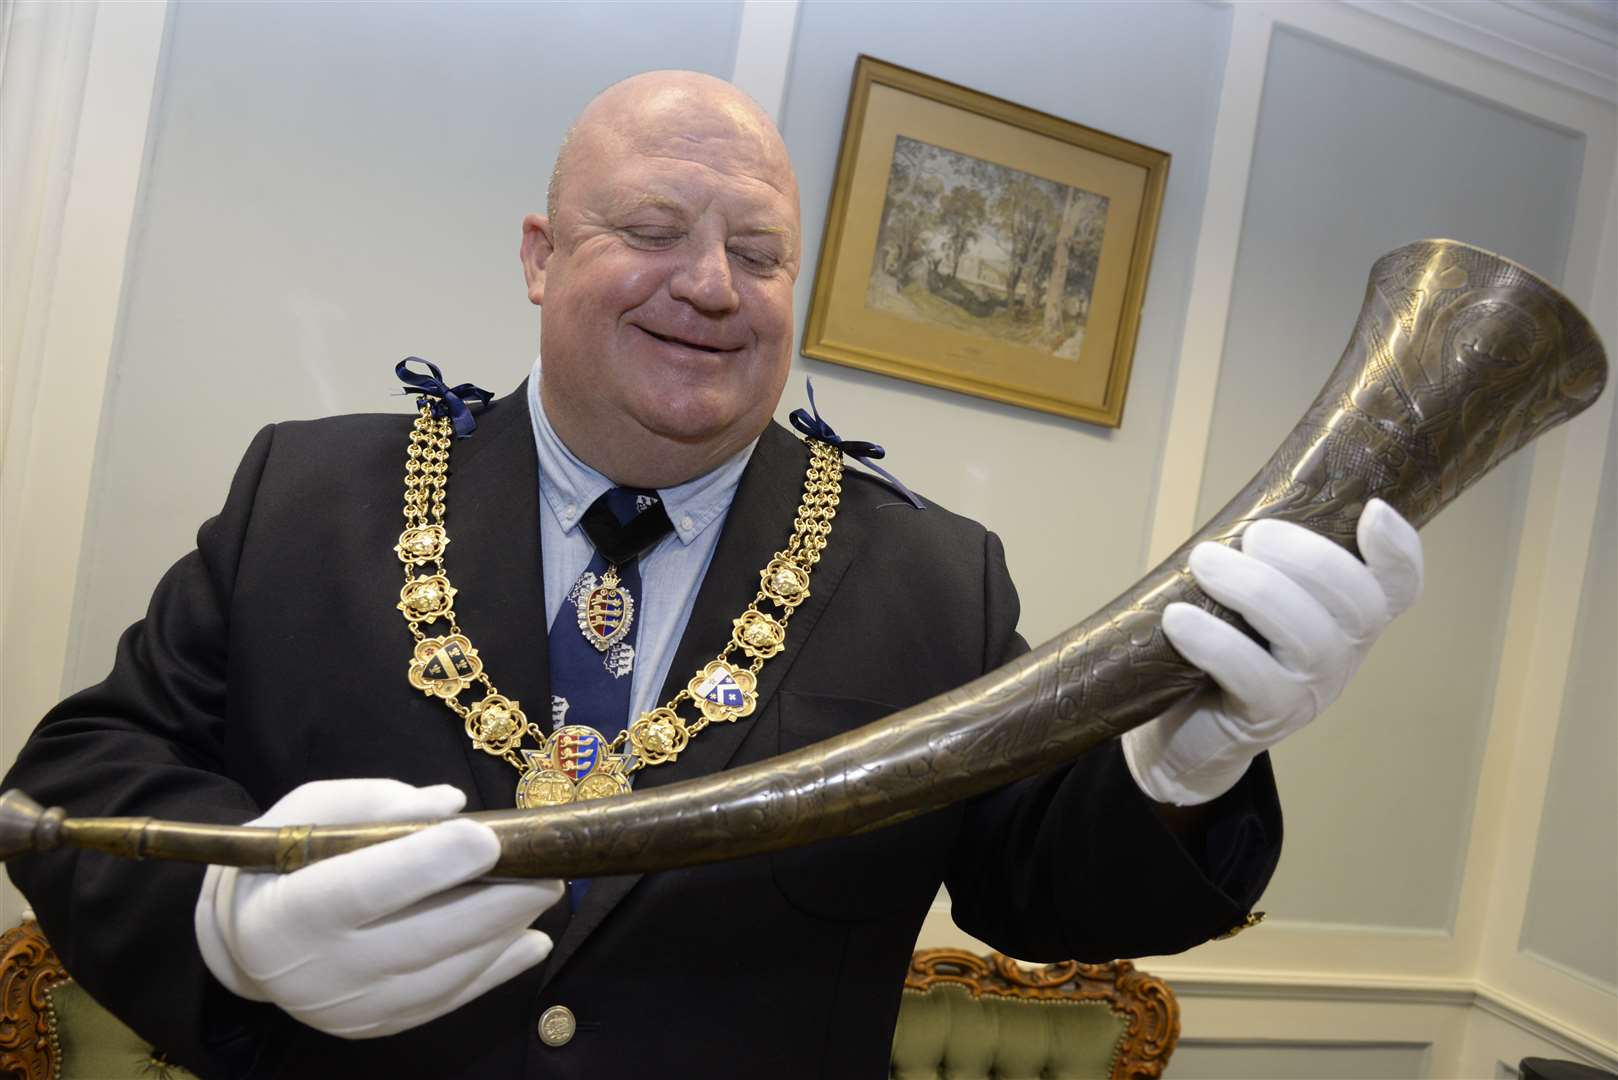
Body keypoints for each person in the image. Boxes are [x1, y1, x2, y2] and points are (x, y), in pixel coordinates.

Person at [2, 71, 1422, 1078]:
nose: (709, 283)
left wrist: (1186, 767)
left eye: (757, 252)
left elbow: (1042, 894)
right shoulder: (306, 493)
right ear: (541, 256)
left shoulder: (934, 576)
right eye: (652, 231)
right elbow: (77, 776)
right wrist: (230, 928)